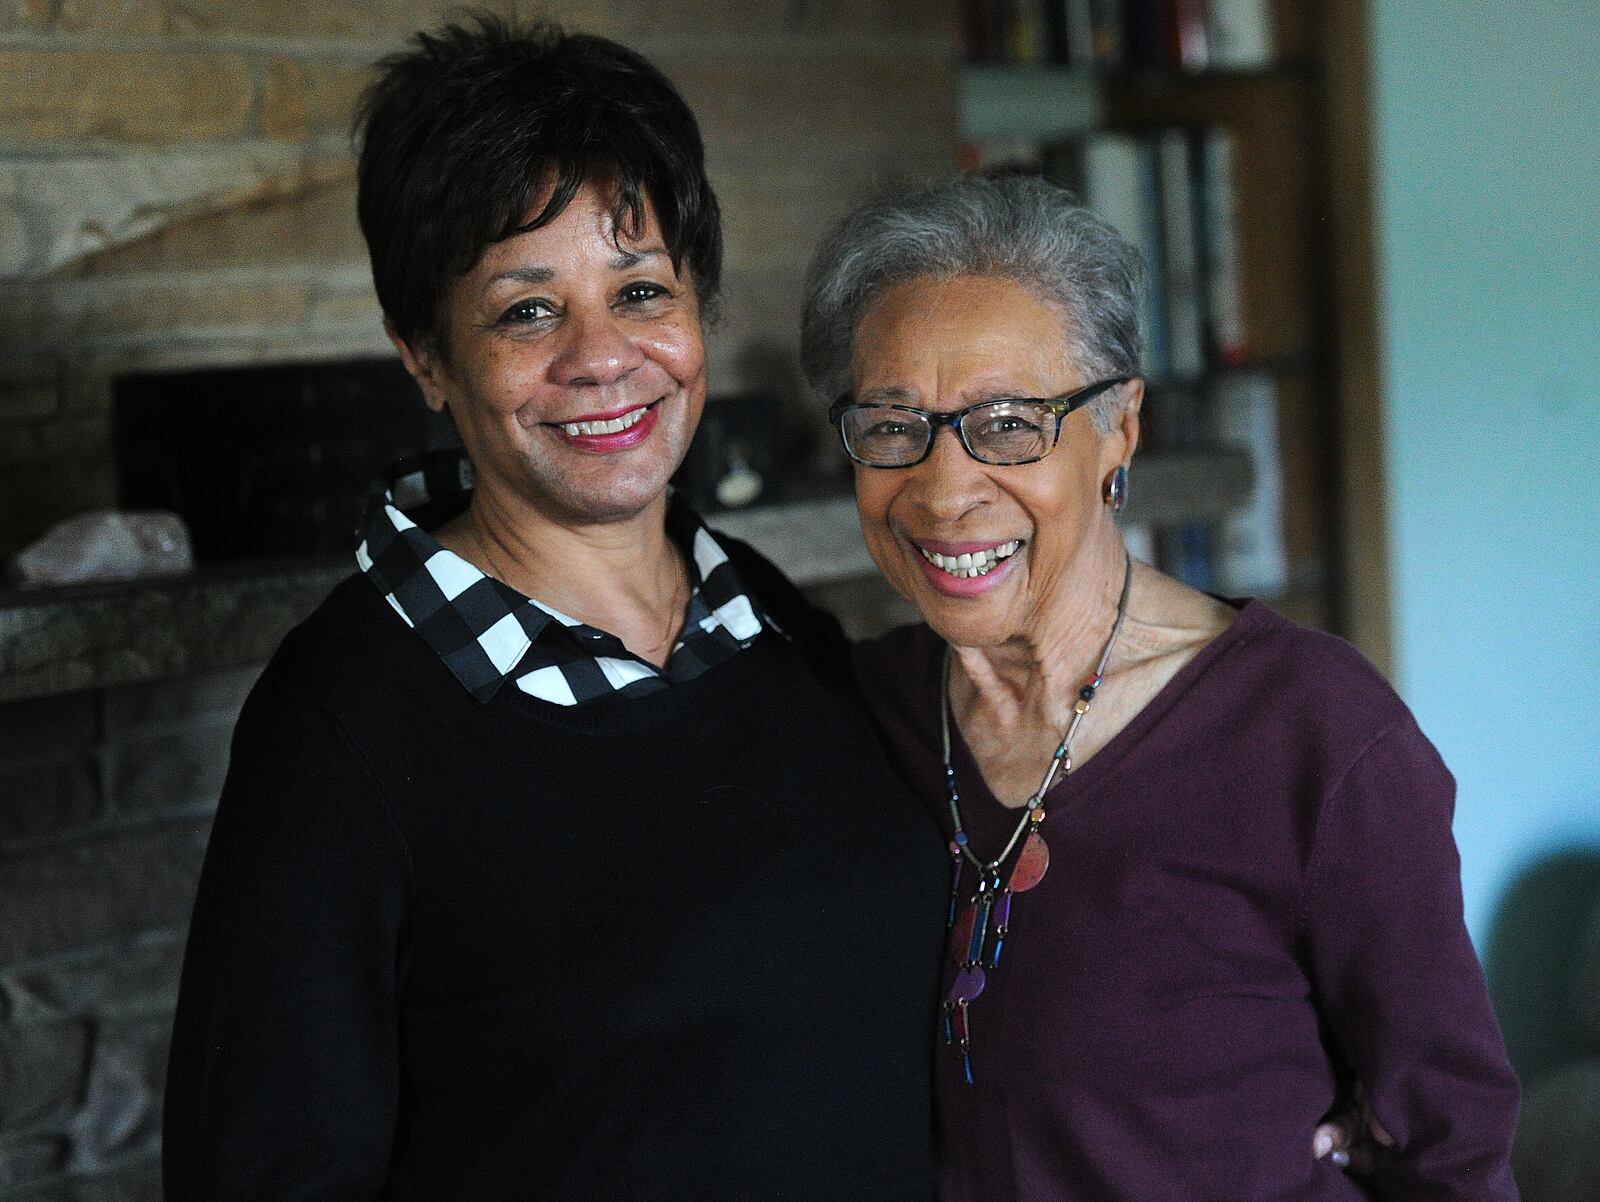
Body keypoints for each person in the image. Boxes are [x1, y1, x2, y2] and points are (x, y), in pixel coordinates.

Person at [161, 19, 949, 1199]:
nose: (602, 356)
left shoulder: (771, 620)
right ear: (424, 354)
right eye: (527, 310)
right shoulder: (339, 723)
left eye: (640, 289)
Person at [801, 172, 1521, 1200]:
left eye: (1008, 422)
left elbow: (1450, 1145)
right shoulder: (861, 710)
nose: (943, 487)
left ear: (1120, 428)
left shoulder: (1312, 734)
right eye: (889, 424)